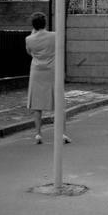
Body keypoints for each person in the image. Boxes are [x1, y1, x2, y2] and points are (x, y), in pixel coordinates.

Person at [26, 12, 71, 145]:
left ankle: (38, 134)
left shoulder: (29, 39)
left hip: (37, 72)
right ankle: (62, 133)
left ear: (33, 25)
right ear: (45, 23)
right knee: (59, 103)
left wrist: (33, 33)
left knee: (36, 105)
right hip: (52, 71)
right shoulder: (54, 36)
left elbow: (29, 52)